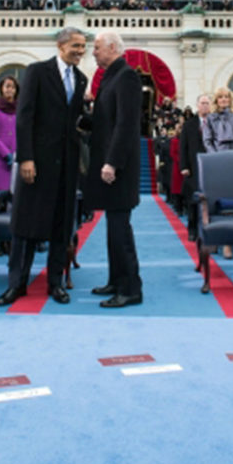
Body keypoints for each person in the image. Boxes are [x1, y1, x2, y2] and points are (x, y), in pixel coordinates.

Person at [0, 27, 87, 306]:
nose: (81, 51)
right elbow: (24, 118)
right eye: (76, 46)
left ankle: (55, 284)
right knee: (26, 225)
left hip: (68, 165)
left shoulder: (82, 79)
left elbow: (77, 120)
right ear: (61, 45)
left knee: (61, 228)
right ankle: (17, 284)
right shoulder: (36, 72)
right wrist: (25, 157)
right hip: (35, 164)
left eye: (84, 47)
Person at [85, 30, 143, 308]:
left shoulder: (127, 76)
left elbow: (126, 125)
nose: (93, 52)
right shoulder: (110, 76)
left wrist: (112, 162)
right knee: (112, 228)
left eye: (96, 47)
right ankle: (116, 280)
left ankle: (130, 288)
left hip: (118, 167)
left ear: (111, 47)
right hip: (109, 164)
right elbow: (105, 120)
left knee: (120, 229)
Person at [203, 86, 233, 259]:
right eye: (220, 97)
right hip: (218, 165)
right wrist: (217, 159)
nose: (224, 100)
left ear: (231, 99)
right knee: (221, 206)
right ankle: (226, 243)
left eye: (226, 97)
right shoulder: (210, 118)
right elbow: (207, 141)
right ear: (216, 101)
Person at [177, 93, 212, 242]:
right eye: (202, 103)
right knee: (192, 200)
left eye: (207, 103)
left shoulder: (214, 123)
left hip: (211, 166)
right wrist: (184, 166)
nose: (204, 106)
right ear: (197, 105)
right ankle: (192, 229)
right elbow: (182, 147)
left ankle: (208, 229)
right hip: (193, 167)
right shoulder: (189, 124)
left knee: (208, 200)